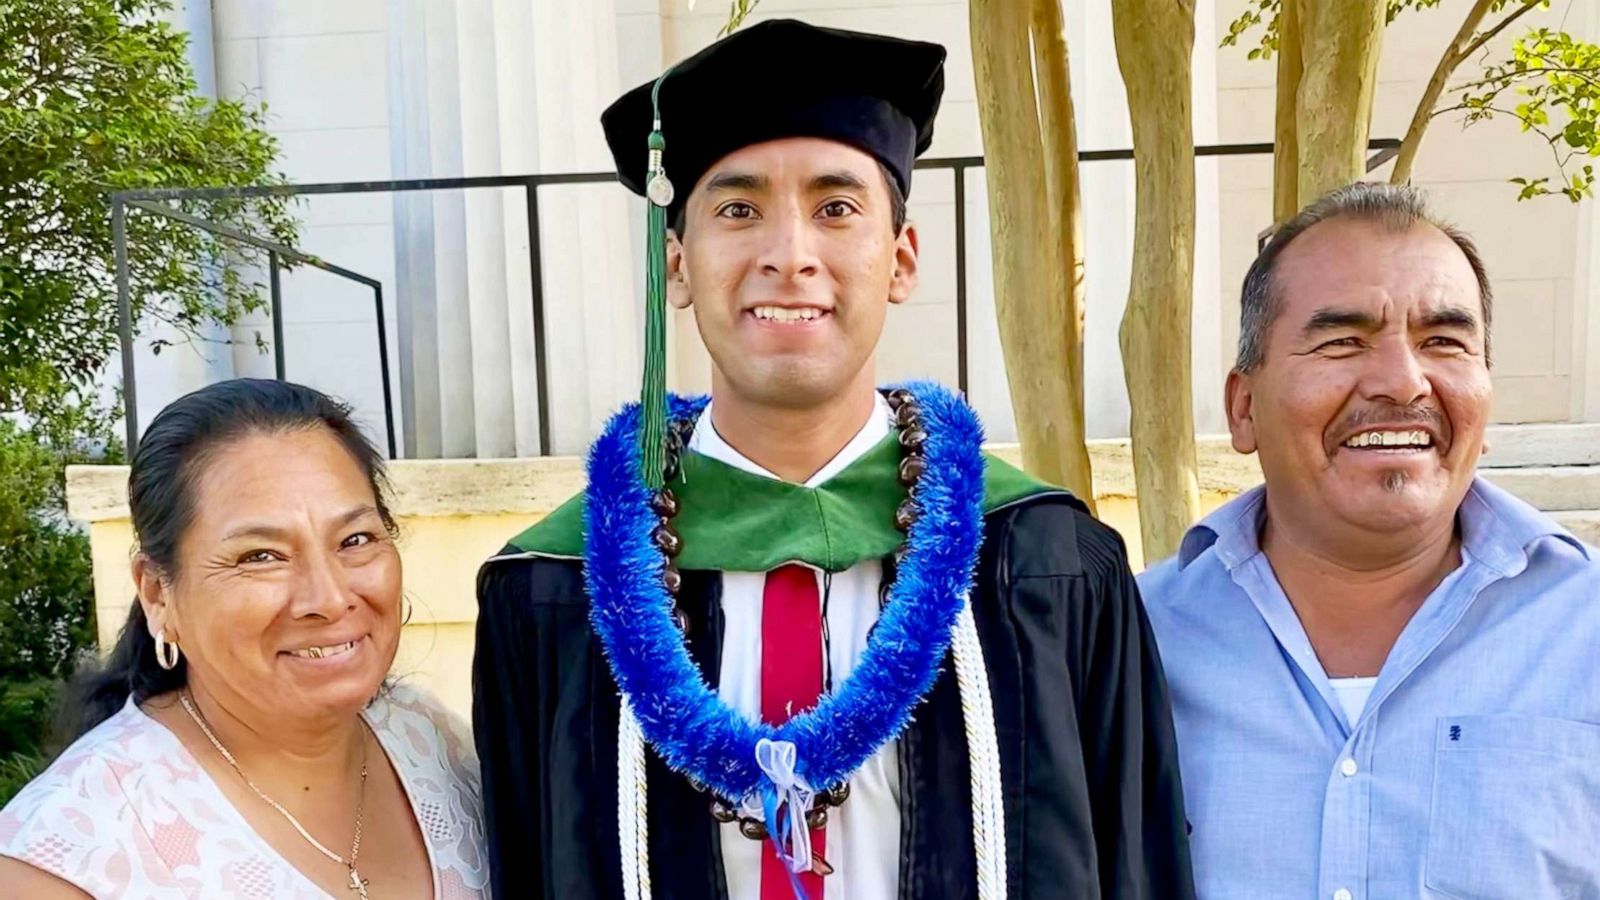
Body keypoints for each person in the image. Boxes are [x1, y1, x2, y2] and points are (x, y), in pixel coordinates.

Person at [472, 18, 1192, 900]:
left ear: (900, 258)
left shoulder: (1044, 563)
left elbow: (1138, 862)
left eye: (836, 207)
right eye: (737, 210)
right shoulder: (552, 588)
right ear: (678, 264)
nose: (789, 255)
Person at [1139, 182, 1600, 899]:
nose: (1402, 382)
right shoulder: (1136, 642)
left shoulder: (1585, 630)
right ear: (1242, 407)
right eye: (1343, 342)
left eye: (1443, 341)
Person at [0, 379, 490, 899]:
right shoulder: (66, 861)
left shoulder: (430, 741)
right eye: (260, 556)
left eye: (356, 540)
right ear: (157, 593)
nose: (328, 597)